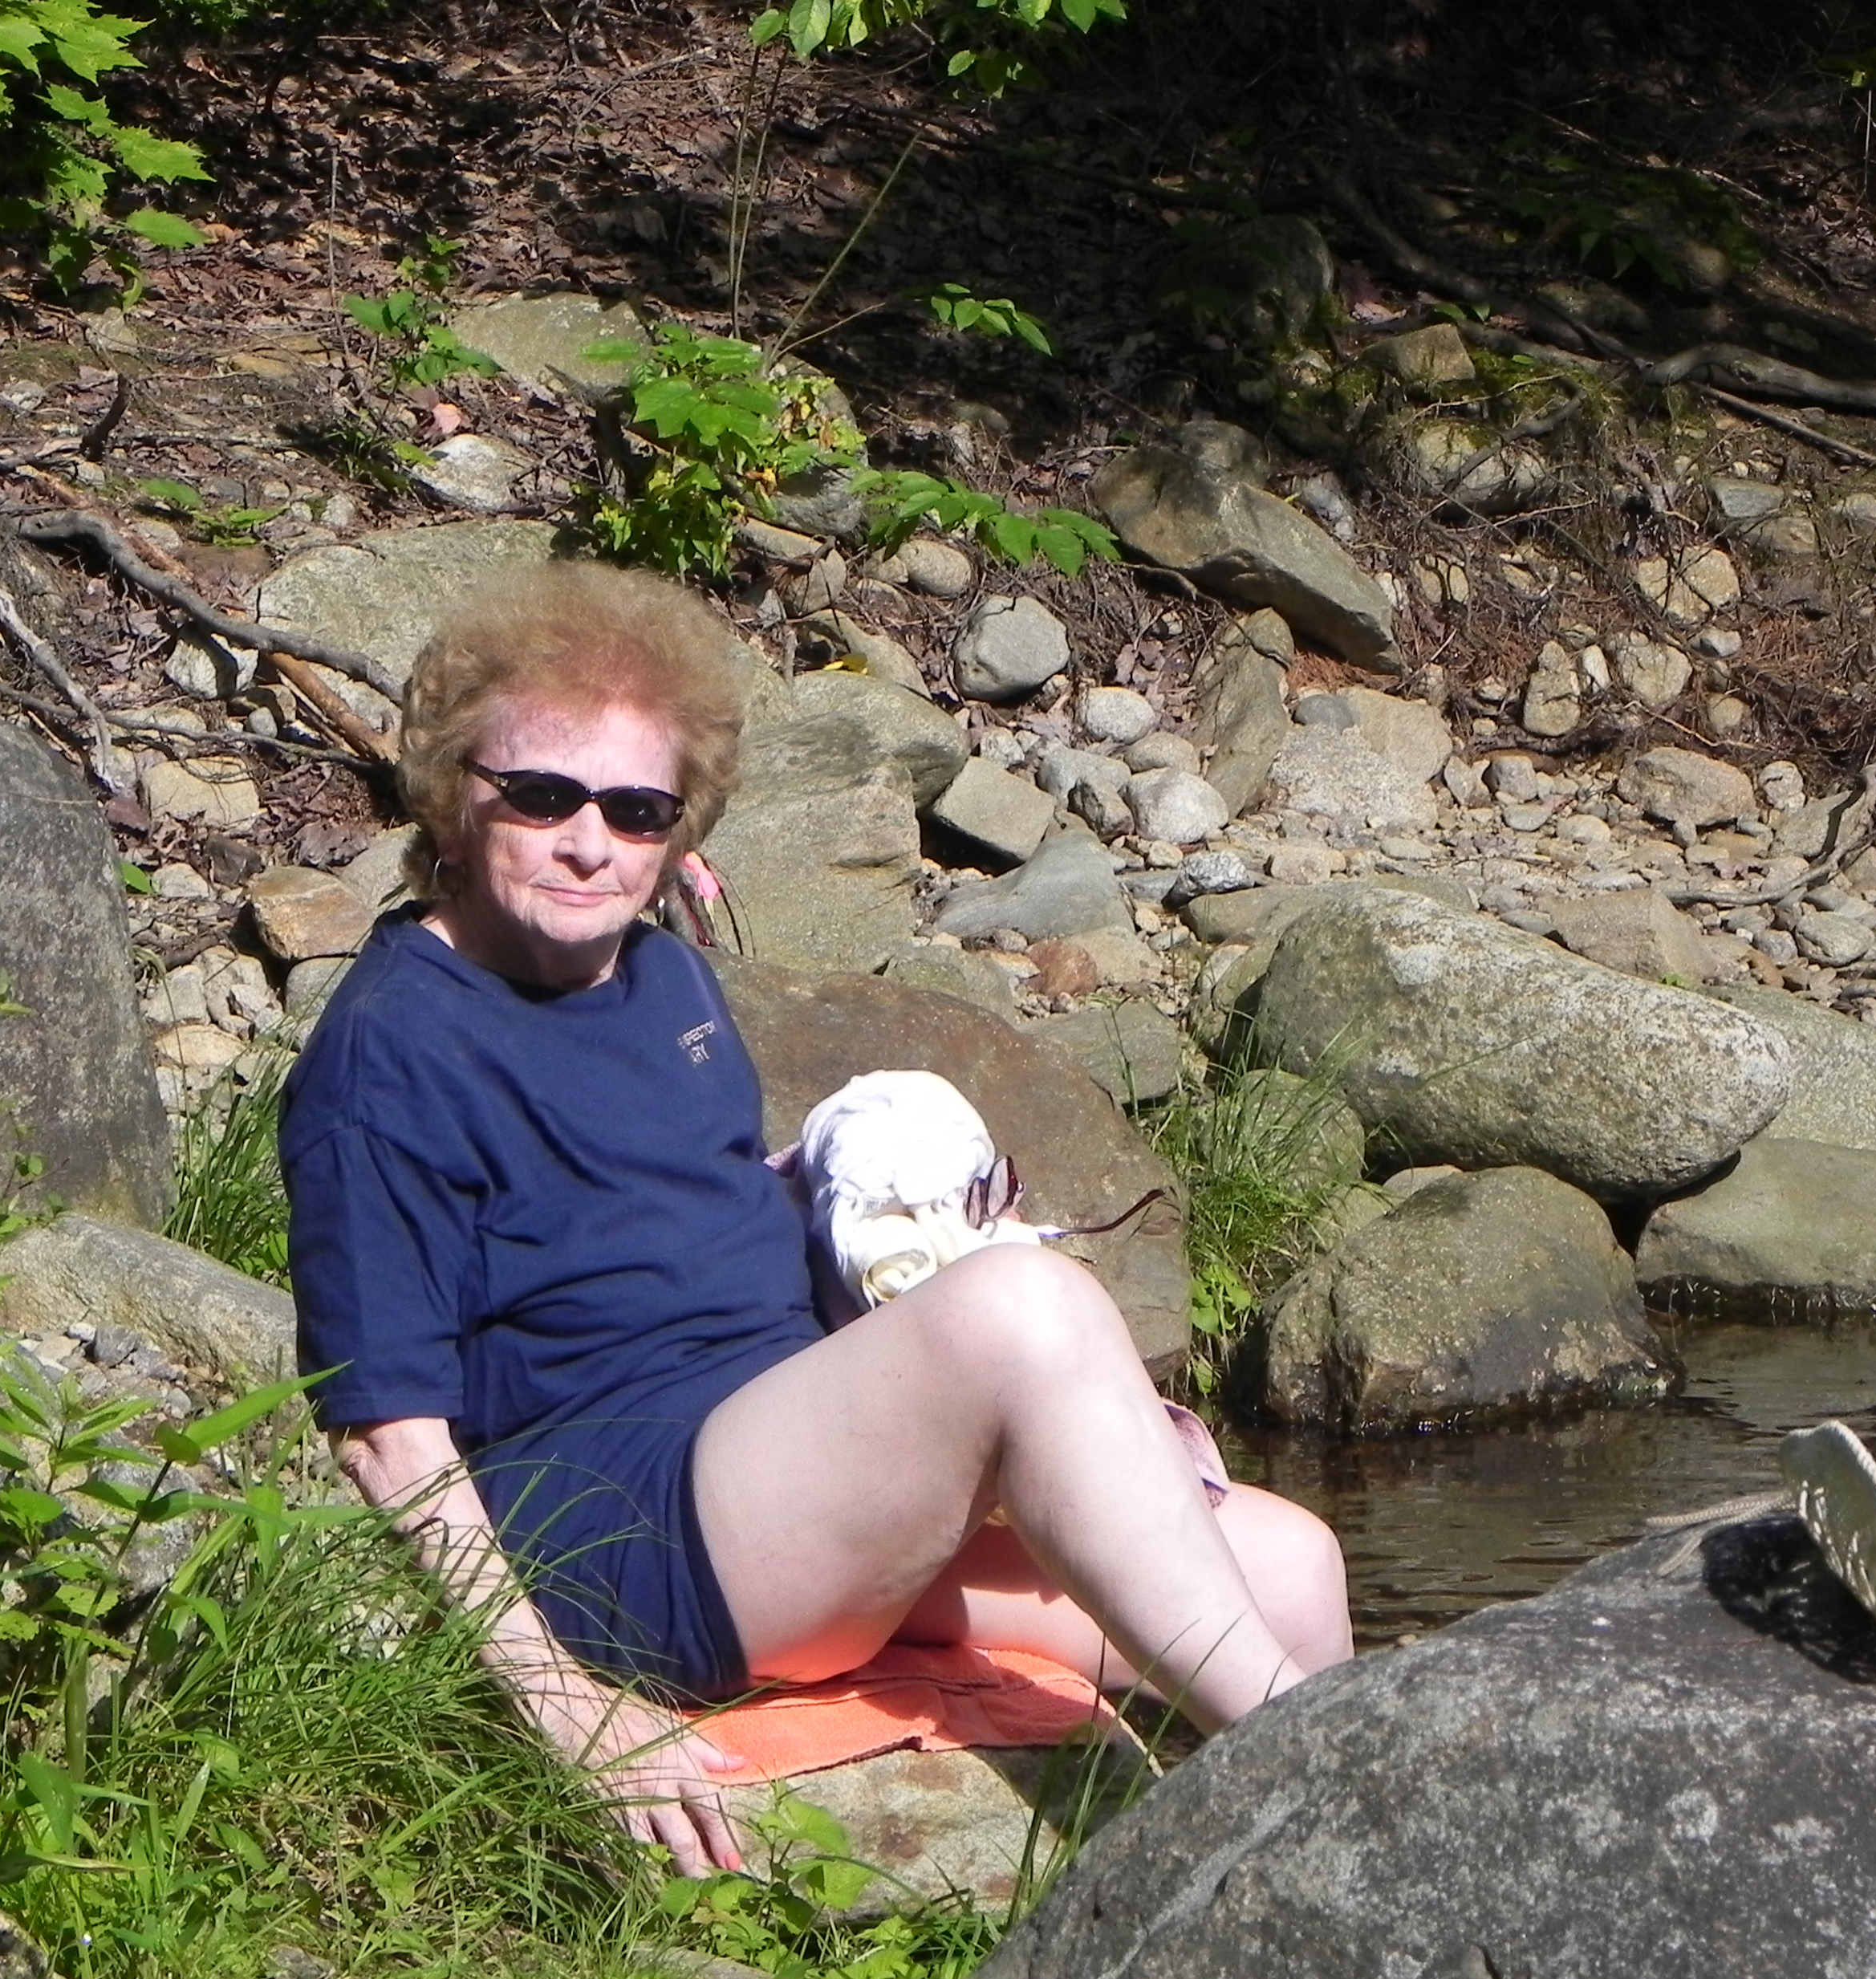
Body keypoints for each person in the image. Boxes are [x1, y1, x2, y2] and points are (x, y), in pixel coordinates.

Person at [281, 560, 1353, 1875]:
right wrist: (562, 1704)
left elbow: (678, 1213)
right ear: (456, 797)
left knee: (1291, 1566)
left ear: (679, 830)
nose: (590, 843)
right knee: (1022, 1317)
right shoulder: (392, 1051)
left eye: (636, 810)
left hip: (785, 1470)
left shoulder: (662, 977)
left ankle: (1289, 1905)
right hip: (624, 1535)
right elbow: (385, 1435)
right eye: (544, 795)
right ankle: (1345, 1783)